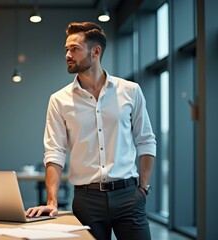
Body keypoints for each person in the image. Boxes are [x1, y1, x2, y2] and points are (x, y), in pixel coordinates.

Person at [26, 22, 156, 240]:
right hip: (87, 200)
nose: (68, 54)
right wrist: (52, 201)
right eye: (67, 49)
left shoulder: (130, 91)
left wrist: (143, 189)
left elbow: (146, 141)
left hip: (128, 197)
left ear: (95, 52)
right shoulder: (59, 100)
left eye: (75, 49)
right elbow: (54, 153)